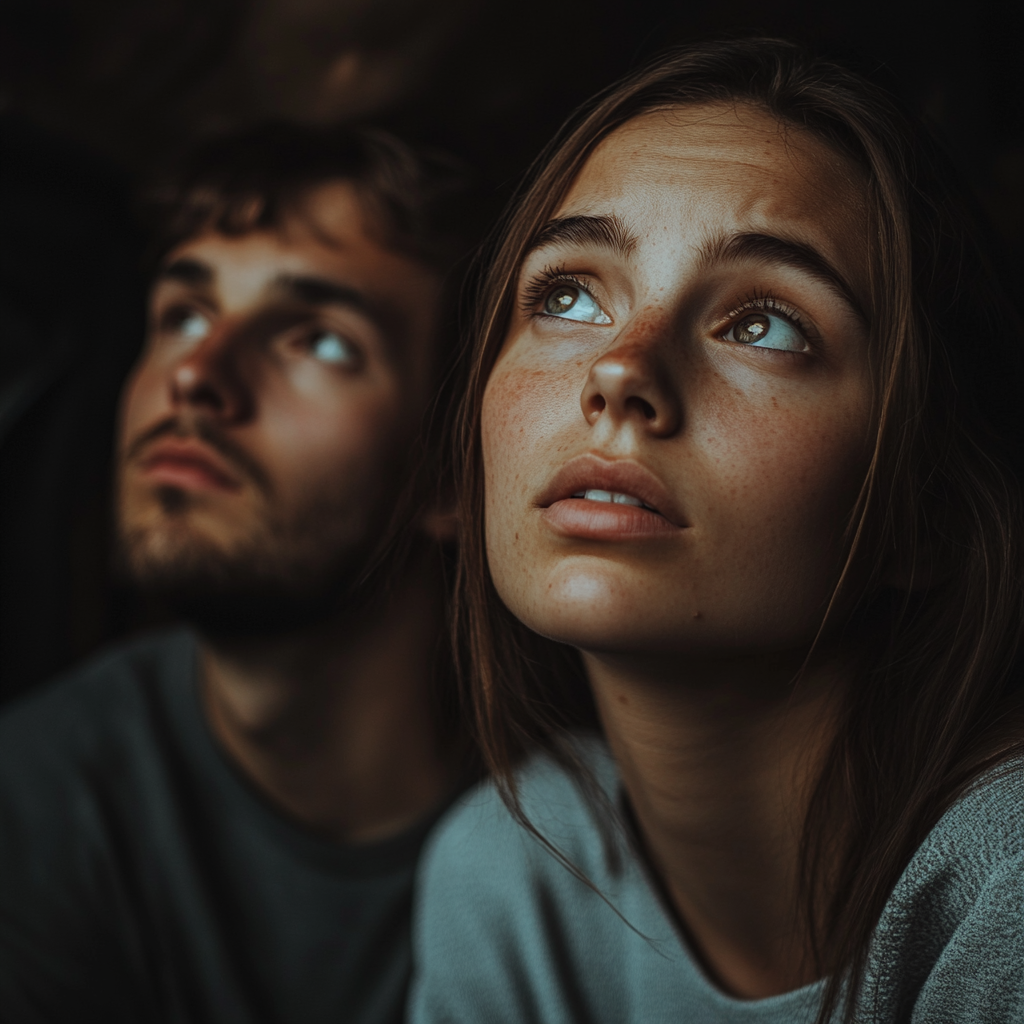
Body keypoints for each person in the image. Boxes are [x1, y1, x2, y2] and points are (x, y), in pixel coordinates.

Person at [410, 38, 1024, 1024]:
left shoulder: (1006, 891)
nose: (619, 371)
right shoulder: (510, 876)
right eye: (567, 294)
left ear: (927, 511)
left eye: (765, 324)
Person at [0, 123, 477, 1024]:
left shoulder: (614, 825)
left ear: (455, 473)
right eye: (183, 314)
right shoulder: (34, 809)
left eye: (320, 342)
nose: (197, 376)